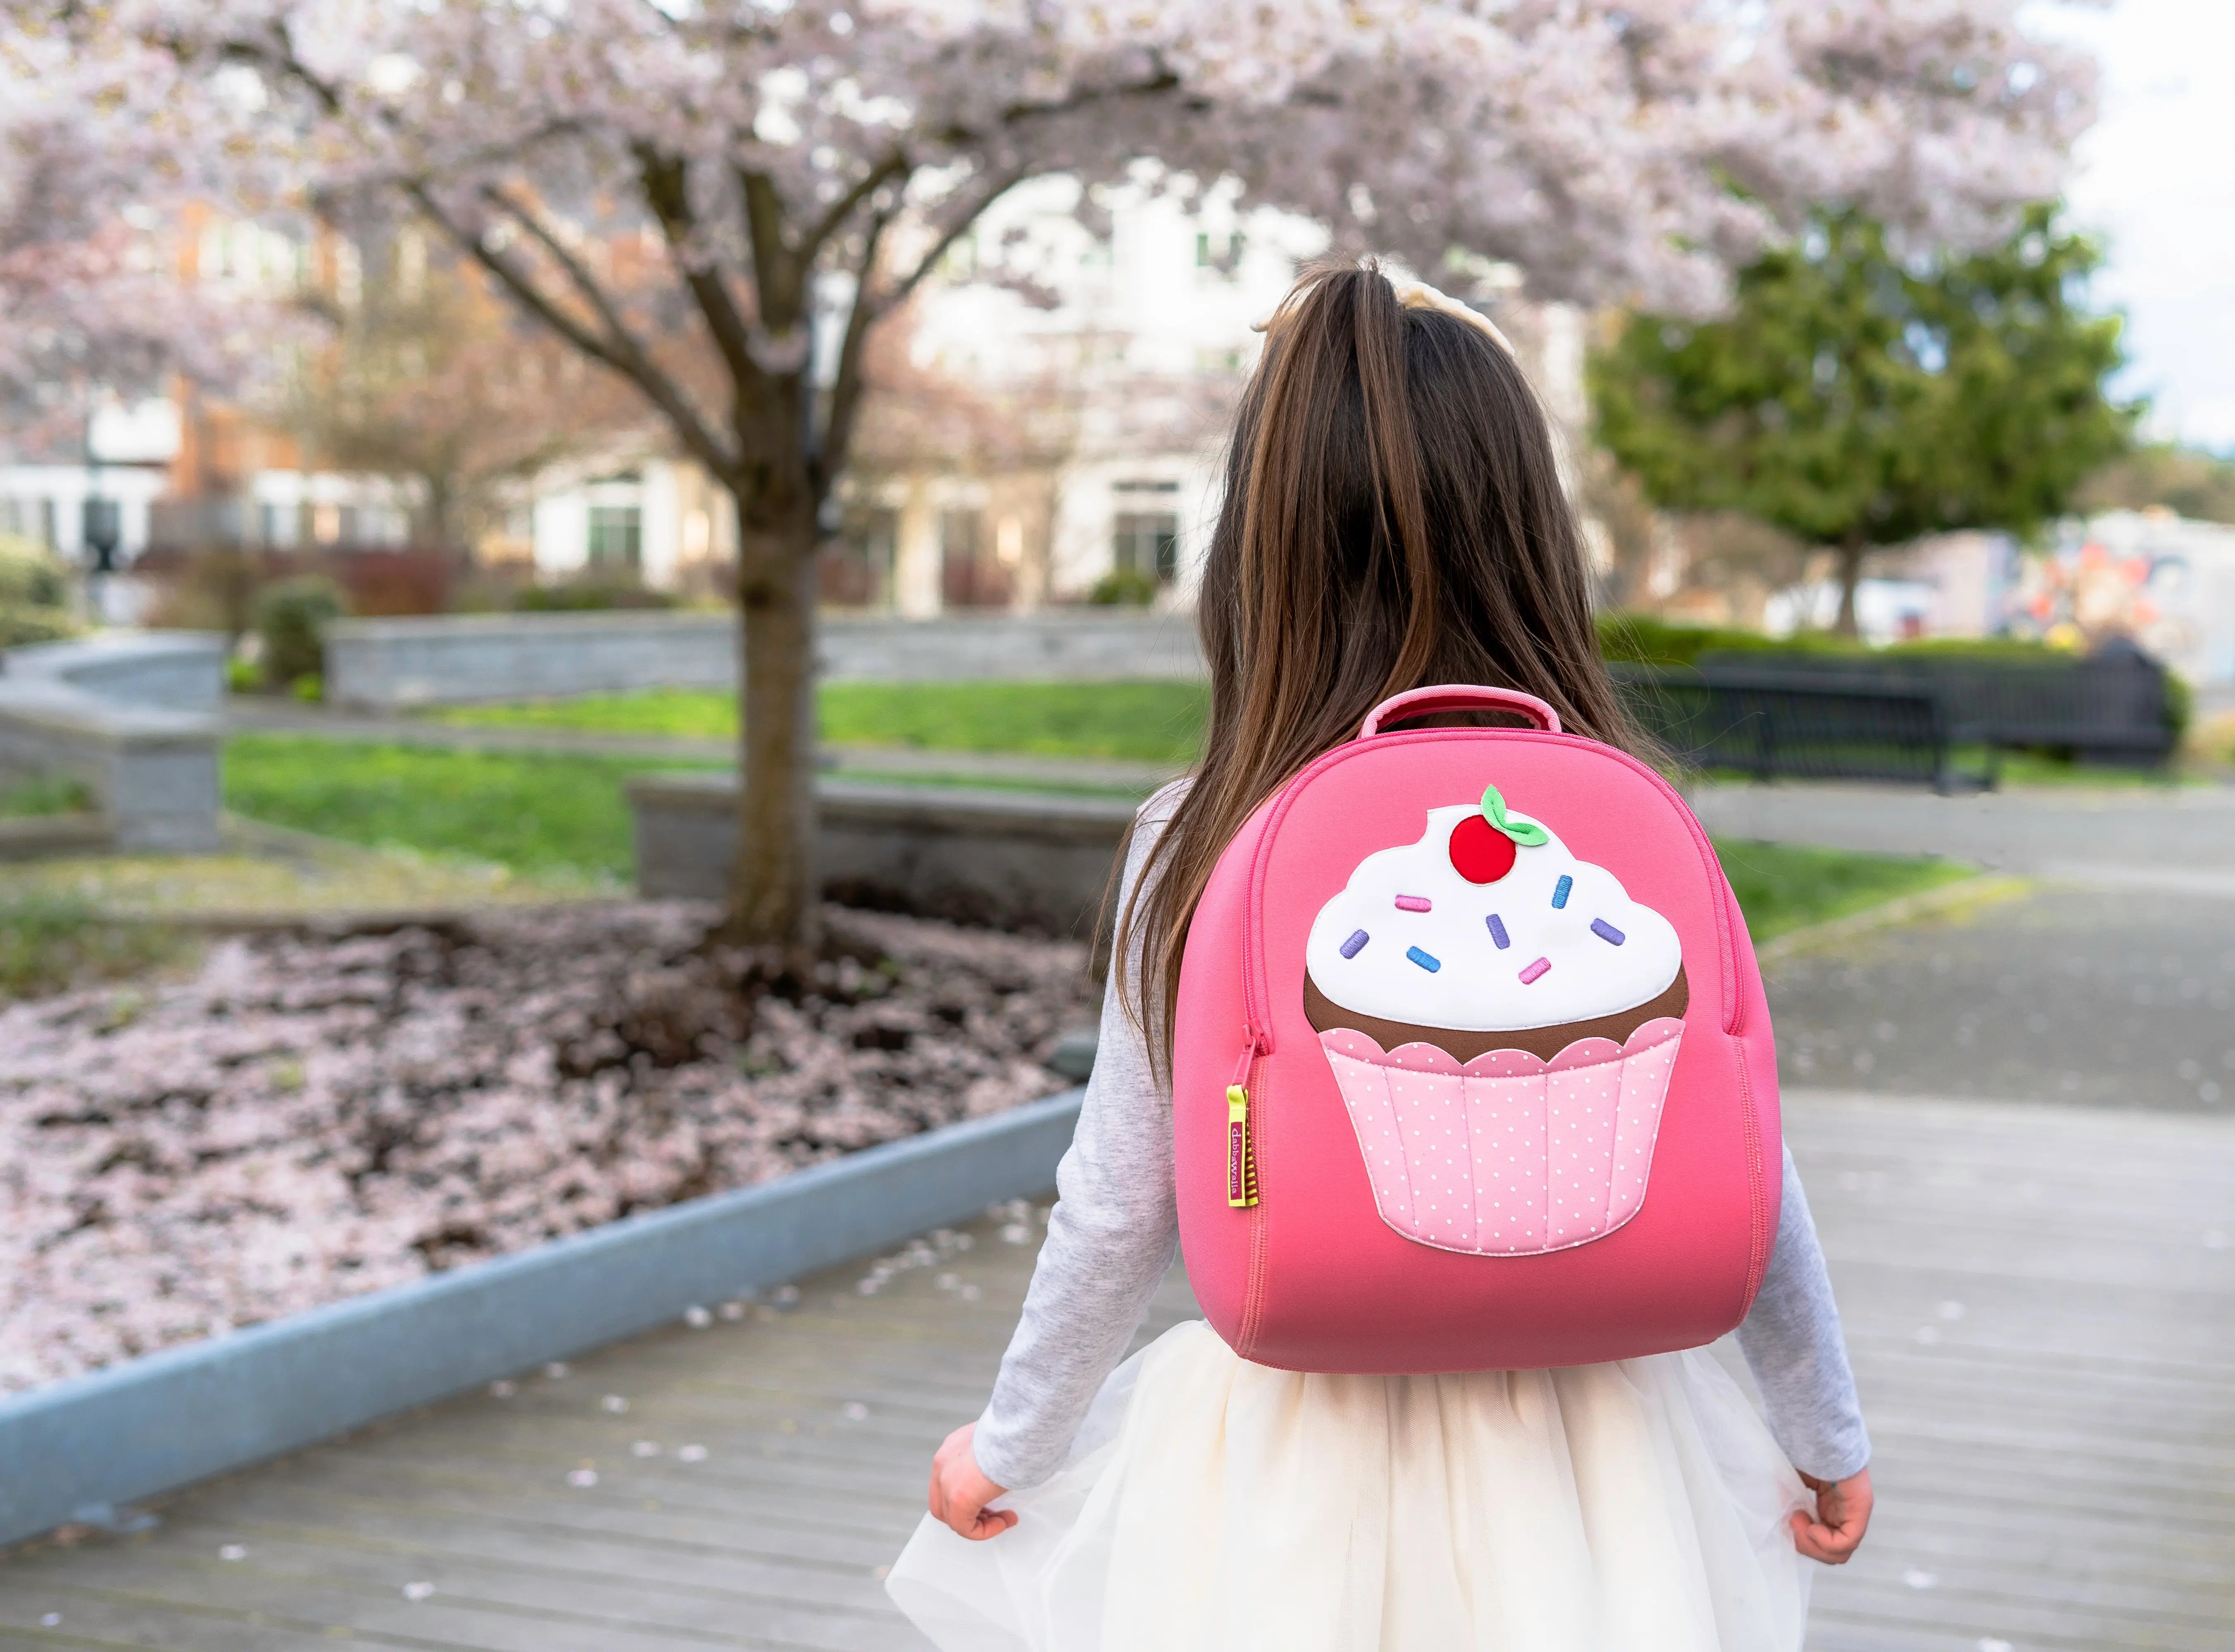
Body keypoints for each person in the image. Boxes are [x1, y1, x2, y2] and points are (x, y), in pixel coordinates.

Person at [886, 260, 1872, 1651]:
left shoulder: (1201, 831)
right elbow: (1744, 1153)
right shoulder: (1610, 824)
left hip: (1294, 1450)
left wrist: (1013, 1444)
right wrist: (1823, 1426)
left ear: (1257, 551)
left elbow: (1119, 1196)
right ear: (1534, 535)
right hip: (1597, 1450)